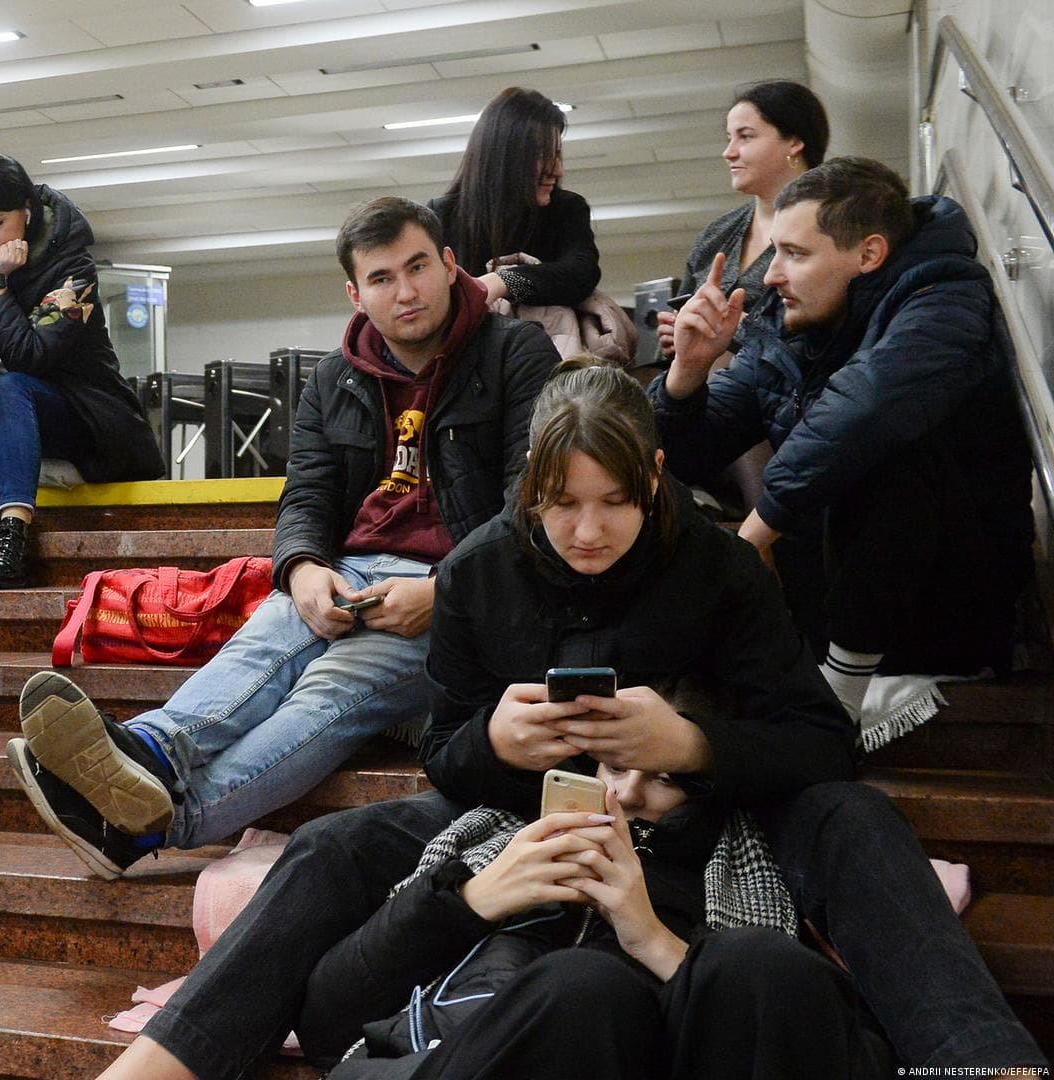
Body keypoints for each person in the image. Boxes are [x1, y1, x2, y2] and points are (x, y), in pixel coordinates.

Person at [95, 359, 1045, 1079]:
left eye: (616, 504)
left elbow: (819, 744)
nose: (588, 531)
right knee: (331, 849)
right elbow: (447, 757)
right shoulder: (475, 571)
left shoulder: (717, 566)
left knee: (857, 818)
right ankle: (172, 1059)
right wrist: (495, 744)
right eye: (561, 507)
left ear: (657, 478)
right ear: (528, 491)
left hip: (710, 816)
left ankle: (979, 1057)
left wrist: (691, 747)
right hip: (521, 809)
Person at [6, 196, 557, 881]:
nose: (406, 291)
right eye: (382, 278)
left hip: (463, 594)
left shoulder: (514, 353)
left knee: (327, 690)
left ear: (450, 266)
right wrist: (300, 570)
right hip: (350, 571)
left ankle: (157, 821)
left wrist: (445, 593)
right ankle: (149, 749)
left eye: (418, 267)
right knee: (270, 640)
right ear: (355, 293)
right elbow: (308, 496)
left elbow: (529, 503)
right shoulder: (335, 377)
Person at [654, 156, 1032, 726]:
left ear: (869, 254)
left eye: (796, 254)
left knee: (876, 441)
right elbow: (691, 453)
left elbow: (865, 406)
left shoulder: (945, 296)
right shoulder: (794, 329)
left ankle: (843, 697)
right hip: (832, 607)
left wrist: (754, 530)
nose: (772, 274)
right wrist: (687, 374)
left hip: (947, 607)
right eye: (775, 250)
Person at [297, 765, 891, 1079]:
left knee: (757, 963)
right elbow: (329, 1024)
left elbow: (844, 1050)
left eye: (665, 778)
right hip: (445, 1058)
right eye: (614, 767)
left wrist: (652, 939)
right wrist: (473, 899)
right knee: (581, 990)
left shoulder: (746, 877)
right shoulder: (493, 846)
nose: (627, 794)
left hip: (664, 1047)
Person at [0, 151, 162, 588]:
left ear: (25, 212)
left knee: (12, 386)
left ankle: (14, 535)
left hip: (83, 415)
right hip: (6, 411)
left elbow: (31, 357)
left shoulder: (73, 267)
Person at [654, 81, 829, 364]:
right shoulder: (716, 235)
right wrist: (676, 335)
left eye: (745, 137)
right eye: (729, 138)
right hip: (709, 398)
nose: (729, 152)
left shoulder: (833, 226)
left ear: (795, 142)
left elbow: (839, 335)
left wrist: (739, 329)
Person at [429, 87, 600, 309]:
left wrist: (504, 281)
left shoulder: (566, 210)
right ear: (505, 158)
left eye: (557, 155)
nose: (558, 170)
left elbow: (581, 274)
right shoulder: (443, 216)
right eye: (542, 156)